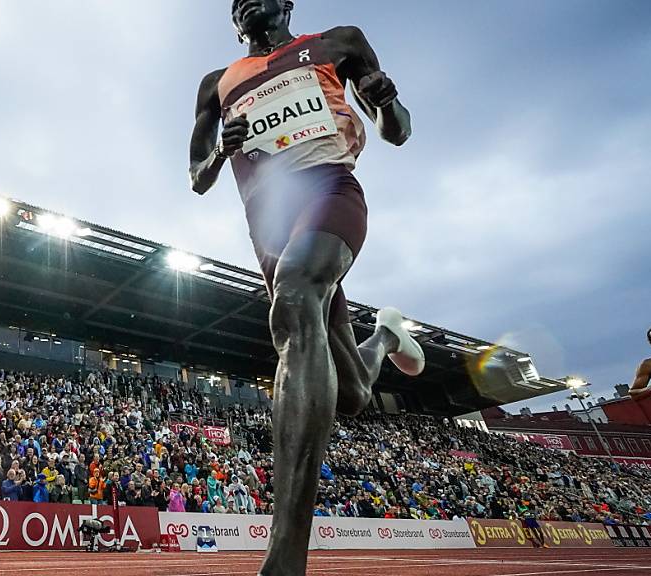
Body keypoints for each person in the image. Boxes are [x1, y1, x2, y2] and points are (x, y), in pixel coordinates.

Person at [188, 2, 424, 573]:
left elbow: (398, 132)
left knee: (295, 300)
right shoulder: (216, 84)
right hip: (267, 221)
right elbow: (197, 178)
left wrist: (387, 98)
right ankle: (383, 339)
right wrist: (223, 145)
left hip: (328, 190)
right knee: (351, 395)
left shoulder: (339, 41)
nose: (244, 0)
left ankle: (285, 557)